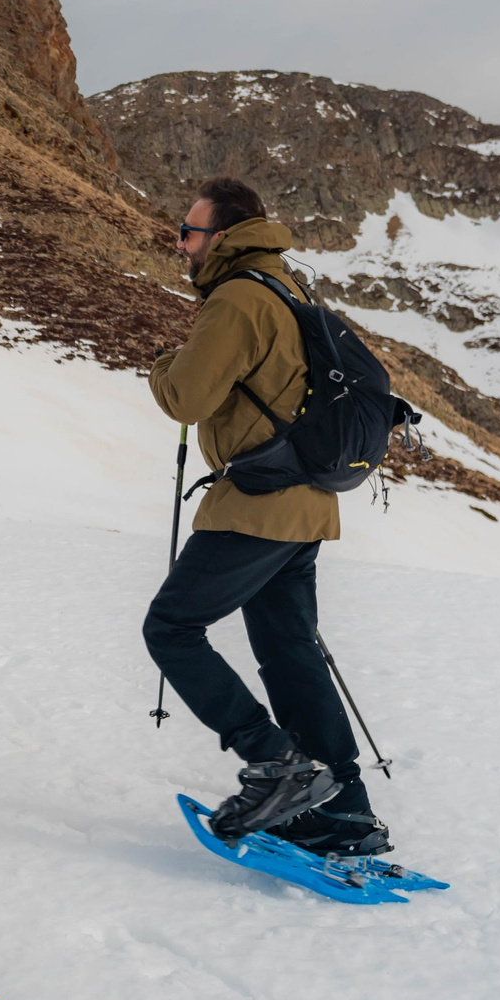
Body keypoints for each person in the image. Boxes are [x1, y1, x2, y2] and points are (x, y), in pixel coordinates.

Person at [145, 177, 389, 857]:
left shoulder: (236, 299)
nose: (181, 243)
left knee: (171, 627)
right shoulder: (289, 286)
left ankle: (277, 763)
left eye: (189, 232)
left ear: (222, 236)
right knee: (290, 653)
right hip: (307, 502)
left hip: (257, 503)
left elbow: (187, 398)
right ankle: (346, 811)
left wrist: (165, 364)